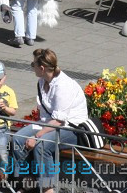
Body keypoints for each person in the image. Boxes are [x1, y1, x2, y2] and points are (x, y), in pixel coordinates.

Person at [11, 48, 88, 193]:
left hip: (71, 128)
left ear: (42, 68)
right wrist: (37, 131)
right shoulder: (42, 81)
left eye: (33, 64)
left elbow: (59, 121)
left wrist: (36, 136)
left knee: (42, 145)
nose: (32, 67)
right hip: (48, 123)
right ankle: (27, 182)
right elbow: (46, 117)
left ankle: (48, 189)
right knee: (17, 139)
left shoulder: (63, 86)